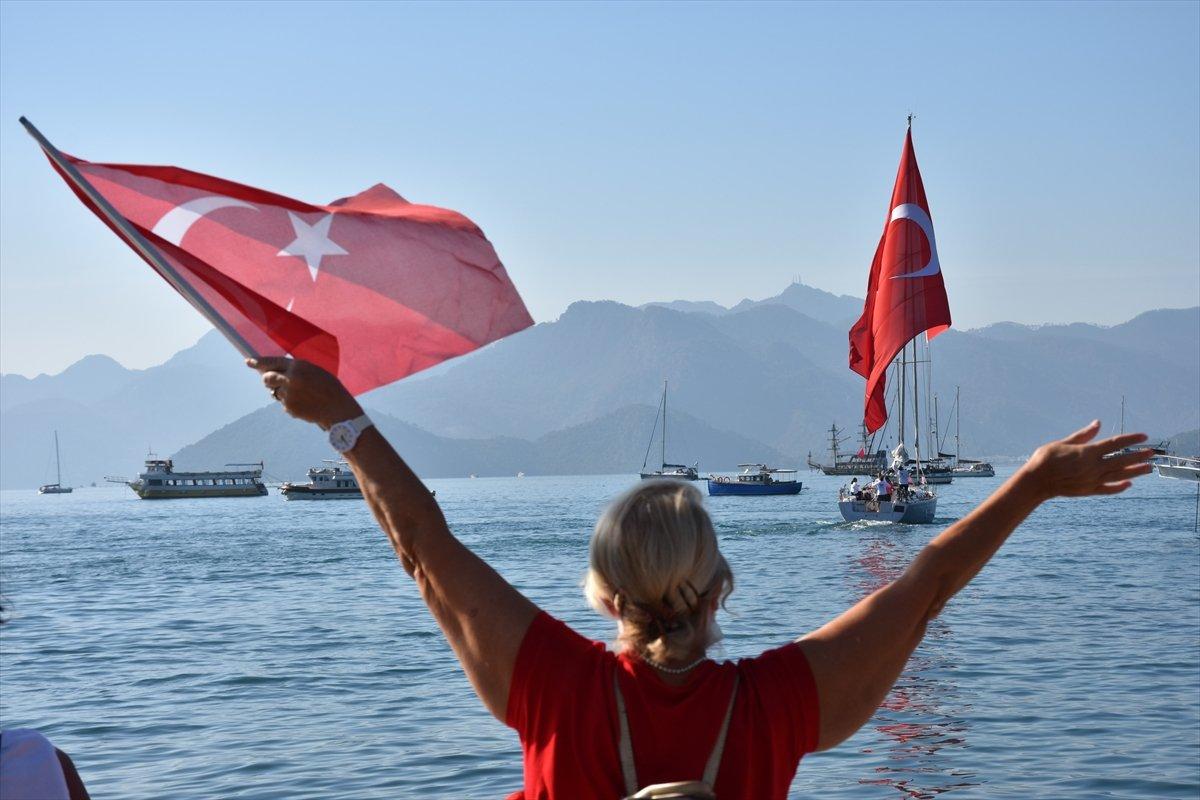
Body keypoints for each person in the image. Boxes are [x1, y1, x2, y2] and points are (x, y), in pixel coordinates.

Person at [249, 357, 1154, 799]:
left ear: (602, 596)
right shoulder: (779, 706)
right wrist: (1033, 482)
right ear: (721, 589)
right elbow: (924, 587)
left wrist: (343, 420)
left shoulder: (552, 691)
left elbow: (421, 543)